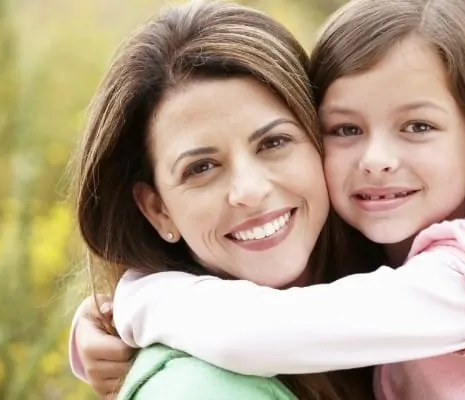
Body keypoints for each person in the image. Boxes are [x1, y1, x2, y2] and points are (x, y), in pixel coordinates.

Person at [73, 0, 465, 399]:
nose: (375, 158)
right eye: (345, 130)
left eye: (418, 127)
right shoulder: (390, 248)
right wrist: (94, 328)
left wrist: (138, 301)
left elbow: (269, 334)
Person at [67, 1, 377, 398]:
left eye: (274, 142)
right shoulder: (192, 390)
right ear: (158, 210)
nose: (249, 190)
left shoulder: (408, 260)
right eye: (200, 168)